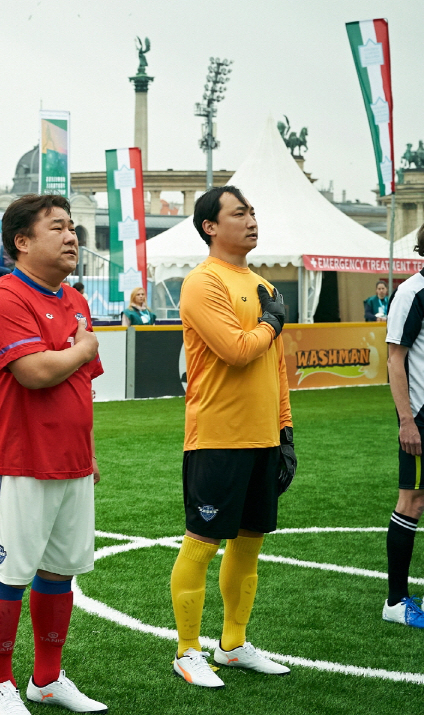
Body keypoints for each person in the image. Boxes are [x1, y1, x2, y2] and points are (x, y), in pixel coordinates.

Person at [0, 193, 106, 714]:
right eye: (58, 228)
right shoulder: (4, 298)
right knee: (10, 575)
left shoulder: (76, 301)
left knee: (59, 573)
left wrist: (87, 451)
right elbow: (35, 372)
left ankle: (46, 678)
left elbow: (81, 387)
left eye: (72, 228)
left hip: (71, 462)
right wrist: (81, 349)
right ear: (22, 242)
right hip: (19, 463)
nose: (72, 237)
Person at [168, 184, 293, 687]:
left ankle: (234, 645)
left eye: (253, 211)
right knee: (202, 542)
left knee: (250, 542)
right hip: (217, 436)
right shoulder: (202, 282)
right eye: (239, 213)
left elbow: (274, 368)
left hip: (262, 436)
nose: (251, 219)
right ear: (210, 227)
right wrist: (272, 323)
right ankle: (186, 650)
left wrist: (284, 428)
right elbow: (238, 349)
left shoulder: (262, 285)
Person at [384, 224, 424, 627]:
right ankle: (395, 601)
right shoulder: (411, 292)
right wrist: (407, 420)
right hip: (421, 416)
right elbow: (396, 358)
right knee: (411, 501)